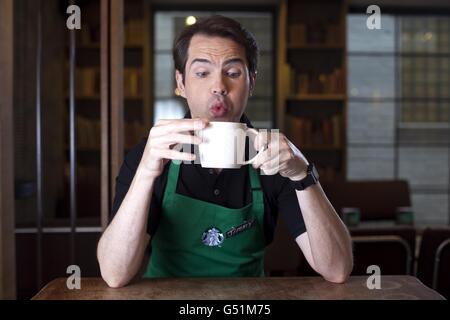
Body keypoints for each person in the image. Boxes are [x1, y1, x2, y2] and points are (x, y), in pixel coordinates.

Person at [97, 15, 353, 288]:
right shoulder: (151, 154)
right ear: (181, 83)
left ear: (251, 83)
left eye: (232, 73)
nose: (219, 86)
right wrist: (146, 172)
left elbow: (337, 270)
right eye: (202, 73)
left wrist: (303, 175)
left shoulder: (275, 158)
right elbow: (115, 274)